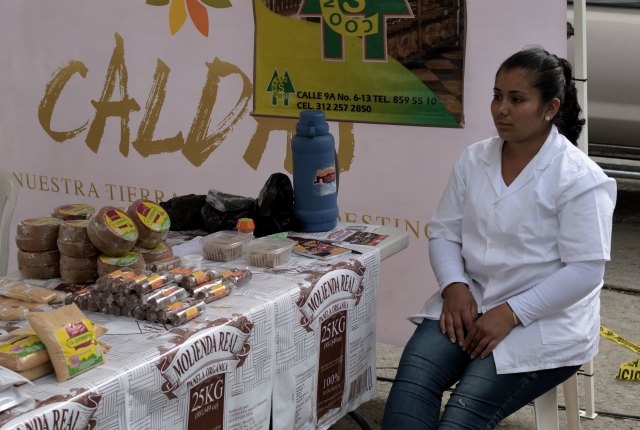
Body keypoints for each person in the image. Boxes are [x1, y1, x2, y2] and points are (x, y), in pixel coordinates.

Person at [381, 47, 617, 429]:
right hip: (470, 302)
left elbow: (586, 270)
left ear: (551, 108)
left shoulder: (578, 178)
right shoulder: (474, 159)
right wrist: (453, 285)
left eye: (517, 99)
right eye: (497, 95)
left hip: (542, 323)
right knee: (414, 378)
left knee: (463, 413)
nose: (501, 109)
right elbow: (444, 231)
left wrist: (511, 313)